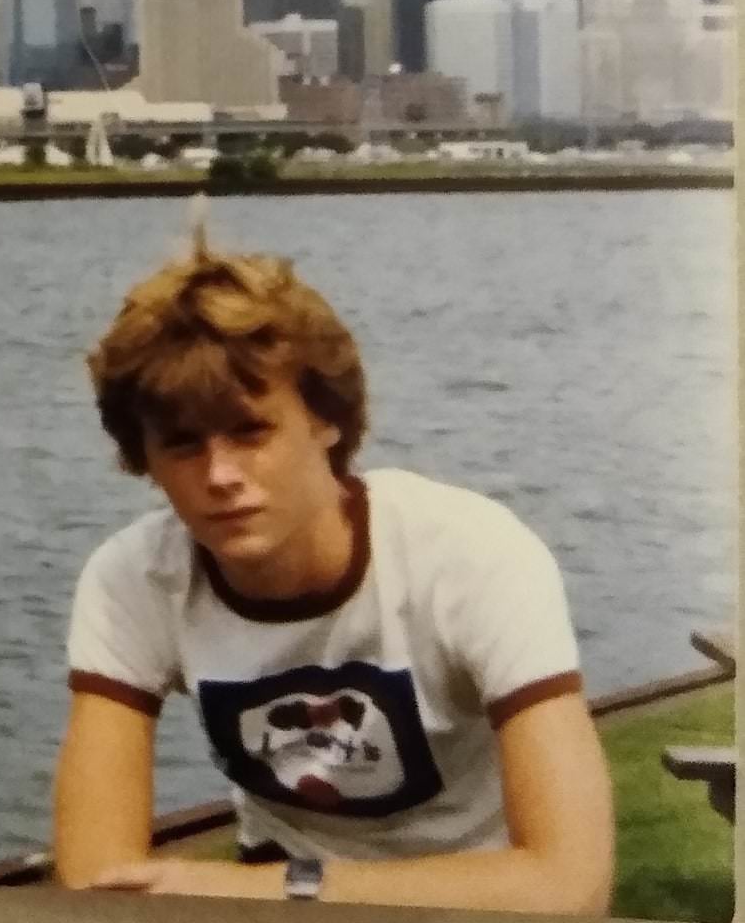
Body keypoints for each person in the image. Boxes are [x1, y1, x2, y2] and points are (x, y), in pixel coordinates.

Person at [53, 216, 613, 911]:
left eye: (251, 430)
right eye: (182, 445)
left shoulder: (472, 555)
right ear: (145, 461)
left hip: (479, 899)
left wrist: (286, 886)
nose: (220, 475)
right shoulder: (132, 580)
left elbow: (571, 883)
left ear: (328, 421)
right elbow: (90, 884)